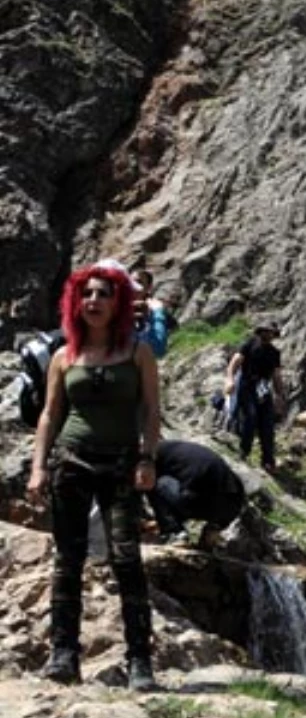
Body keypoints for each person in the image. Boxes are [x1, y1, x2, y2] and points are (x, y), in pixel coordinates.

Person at [26, 263, 161, 691]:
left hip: (122, 463)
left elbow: (152, 411)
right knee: (68, 559)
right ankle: (63, 654)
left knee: (126, 559)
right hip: (72, 462)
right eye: (86, 295)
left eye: (103, 294)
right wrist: (37, 467)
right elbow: (50, 413)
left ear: (118, 301)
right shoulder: (64, 356)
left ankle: (140, 660)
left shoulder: (138, 351)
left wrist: (148, 458)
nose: (94, 301)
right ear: (75, 303)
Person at [146, 441, 246, 550]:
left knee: (154, 483)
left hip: (200, 500)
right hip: (232, 506)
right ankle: (209, 537)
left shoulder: (151, 456)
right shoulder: (176, 449)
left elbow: (146, 485)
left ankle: (175, 534)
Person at [225, 319, 285, 474]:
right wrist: (230, 380)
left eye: (271, 332)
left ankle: (268, 461)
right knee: (250, 417)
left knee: (268, 424)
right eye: (265, 331)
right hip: (247, 385)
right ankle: (244, 452)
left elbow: (276, 376)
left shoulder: (274, 353)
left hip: (263, 388)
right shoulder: (249, 344)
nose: (268, 334)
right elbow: (235, 362)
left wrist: (279, 396)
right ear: (260, 332)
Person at [131, 269, 169, 359]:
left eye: (139, 282)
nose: (134, 286)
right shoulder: (115, 311)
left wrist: (157, 313)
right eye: (130, 282)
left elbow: (158, 349)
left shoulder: (154, 313)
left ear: (148, 288)